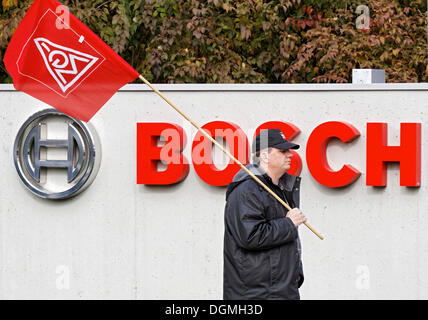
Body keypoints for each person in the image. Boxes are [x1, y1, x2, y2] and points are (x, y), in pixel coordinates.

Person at [223, 128, 307, 300]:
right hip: (256, 295)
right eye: (283, 151)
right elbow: (250, 235)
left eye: (289, 150)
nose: (289, 155)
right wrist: (289, 224)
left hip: (281, 290)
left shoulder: (281, 189)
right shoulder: (247, 189)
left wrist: (296, 274)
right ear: (264, 156)